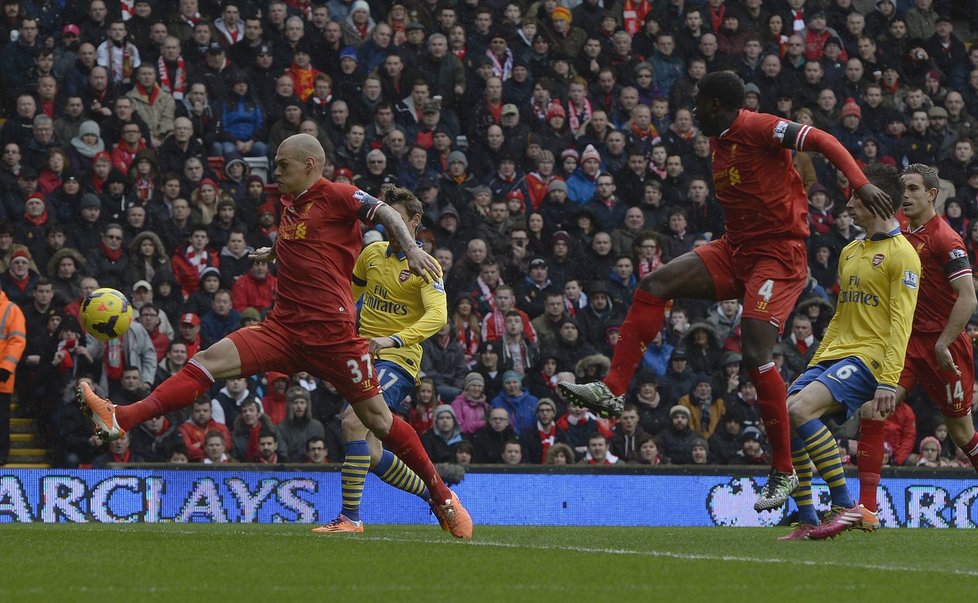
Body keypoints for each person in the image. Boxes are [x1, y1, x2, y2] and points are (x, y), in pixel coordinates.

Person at [78, 133, 471, 539]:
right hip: (282, 329)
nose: (275, 171)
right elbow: (311, 245)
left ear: (309, 166)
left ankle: (441, 496)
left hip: (333, 338)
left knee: (376, 421)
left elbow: (386, 212)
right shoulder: (291, 207)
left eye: (283, 164)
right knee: (208, 361)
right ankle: (121, 416)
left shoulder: (338, 195)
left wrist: (410, 248)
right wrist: (276, 250)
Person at [558, 71, 893, 510]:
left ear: (716, 105)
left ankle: (783, 470)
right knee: (654, 285)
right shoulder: (720, 137)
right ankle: (612, 389)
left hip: (778, 254)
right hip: (735, 249)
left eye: (698, 103)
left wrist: (859, 182)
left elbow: (823, 140)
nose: (692, 111)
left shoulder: (757, 127)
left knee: (755, 353)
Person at [818, 164, 978, 539]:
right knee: (874, 408)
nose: (904, 195)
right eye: (902, 188)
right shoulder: (898, 232)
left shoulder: (946, 239)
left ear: (932, 195)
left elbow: (968, 298)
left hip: (945, 347)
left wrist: (942, 343)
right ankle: (869, 510)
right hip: (904, 342)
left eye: (913, 189)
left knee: (961, 432)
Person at [780, 164, 919, 541]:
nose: (848, 202)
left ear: (879, 200)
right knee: (787, 412)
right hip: (837, 354)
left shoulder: (903, 255)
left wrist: (888, 381)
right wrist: (817, 364)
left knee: (799, 409)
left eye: (857, 195)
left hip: (870, 358)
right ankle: (808, 516)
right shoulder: (850, 250)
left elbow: (901, 324)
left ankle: (845, 506)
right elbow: (841, 316)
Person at [314, 187, 448, 534]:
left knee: (352, 423)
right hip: (363, 356)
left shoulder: (426, 266)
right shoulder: (371, 253)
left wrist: (393, 338)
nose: (390, 225)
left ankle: (350, 518)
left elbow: (438, 316)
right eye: (385, 216)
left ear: (415, 222)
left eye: (398, 218)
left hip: (398, 360)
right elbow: (350, 297)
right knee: (371, 452)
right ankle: (435, 497)